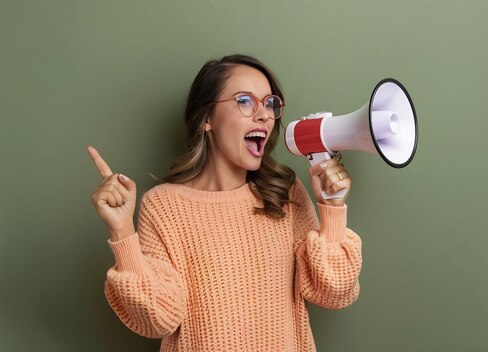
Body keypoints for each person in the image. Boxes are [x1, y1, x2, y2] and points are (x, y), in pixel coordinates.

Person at [88, 54, 362, 351]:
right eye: (245, 101)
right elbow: (158, 319)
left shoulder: (284, 193)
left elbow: (332, 292)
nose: (265, 115)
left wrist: (332, 210)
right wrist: (122, 233)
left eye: (270, 103)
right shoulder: (163, 205)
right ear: (207, 119)